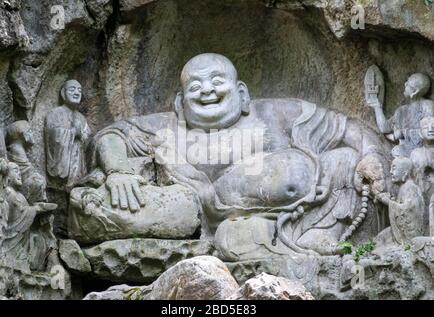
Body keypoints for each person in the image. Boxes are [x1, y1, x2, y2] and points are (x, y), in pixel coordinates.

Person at [71, 53, 390, 258]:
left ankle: (321, 234)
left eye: (216, 81)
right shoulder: (169, 128)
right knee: (231, 237)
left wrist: (373, 154)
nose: (207, 90)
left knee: (347, 159)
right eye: (196, 86)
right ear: (181, 103)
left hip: (310, 210)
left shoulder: (276, 114)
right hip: (227, 225)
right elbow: (111, 135)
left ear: (242, 93)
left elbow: (348, 128)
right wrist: (119, 171)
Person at [370, 73, 433, 157]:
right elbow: (384, 127)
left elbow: (430, 132)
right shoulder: (401, 111)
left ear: (415, 91)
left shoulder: (427, 106)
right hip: (405, 150)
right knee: (396, 151)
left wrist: (403, 133)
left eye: (408, 84)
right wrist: (376, 105)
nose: (405, 84)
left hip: (424, 151)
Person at [45, 80, 91, 191]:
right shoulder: (55, 113)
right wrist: (73, 132)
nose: (76, 93)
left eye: (79, 90)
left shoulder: (81, 118)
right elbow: (52, 136)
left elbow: (88, 141)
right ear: (63, 93)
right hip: (63, 163)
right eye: (72, 89)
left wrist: (84, 136)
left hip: (79, 163)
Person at [374, 157, 425, 246]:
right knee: (379, 239)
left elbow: (408, 211)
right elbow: (400, 207)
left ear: (405, 172)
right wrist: (387, 201)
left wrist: (388, 202)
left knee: (381, 241)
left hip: (410, 235)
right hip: (399, 231)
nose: (390, 172)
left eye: (394, 168)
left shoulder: (411, 188)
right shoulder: (403, 187)